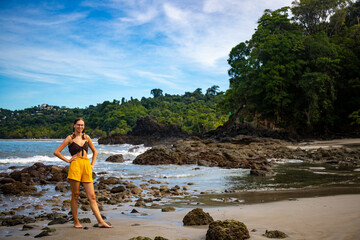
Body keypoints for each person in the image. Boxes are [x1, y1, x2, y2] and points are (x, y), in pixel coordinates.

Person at [54, 117, 112, 228]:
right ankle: (76, 222)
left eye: (82, 125)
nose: (80, 127)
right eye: (78, 125)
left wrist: (92, 164)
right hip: (75, 166)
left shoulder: (87, 138)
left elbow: (95, 151)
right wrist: (68, 160)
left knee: (92, 197)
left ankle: (100, 222)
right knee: (75, 196)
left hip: (86, 166)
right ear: (74, 125)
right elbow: (57, 152)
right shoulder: (70, 138)